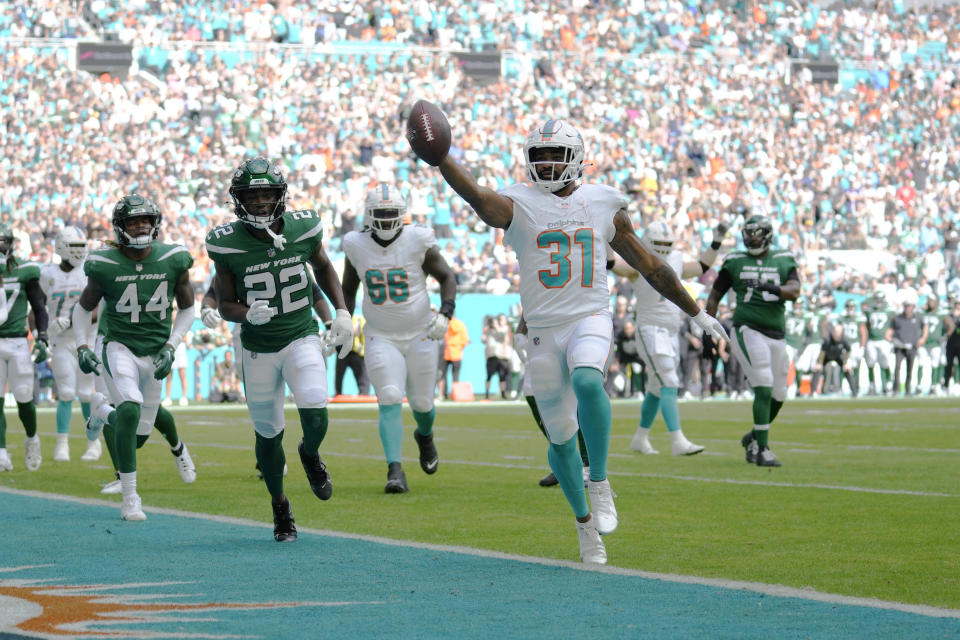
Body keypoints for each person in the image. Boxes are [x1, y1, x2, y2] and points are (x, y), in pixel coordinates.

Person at [419, 118, 726, 564]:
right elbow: (478, 198)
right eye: (538, 155)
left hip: (590, 316)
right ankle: (584, 525)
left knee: (587, 380)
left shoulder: (603, 202)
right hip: (543, 329)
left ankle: (598, 480)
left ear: (576, 158)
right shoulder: (519, 203)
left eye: (553, 154)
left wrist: (696, 312)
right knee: (560, 437)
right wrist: (441, 157)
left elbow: (651, 266)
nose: (544, 163)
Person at [205, 157, 353, 543]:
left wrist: (340, 313)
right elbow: (224, 304)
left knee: (316, 407)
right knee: (268, 434)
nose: (259, 202)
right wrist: (245, 314)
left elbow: (323, 269)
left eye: (267, 194)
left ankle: (309, 453)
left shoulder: (305, 228)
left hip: (300, 335)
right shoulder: (226, 244)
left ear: (280, 195)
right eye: (251, 196)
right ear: (238, 200)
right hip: (257, 348)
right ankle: (280, 505)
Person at [71, 195, 197, 521]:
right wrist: (83, 347)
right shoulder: (105, 263)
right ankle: (130, 499)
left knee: (138, 437)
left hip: (155, 352)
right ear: (121, 227)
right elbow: (83, 310)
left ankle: (101, 411)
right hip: (119, 347)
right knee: (129, 406)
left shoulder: (173, 258)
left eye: (144, 220)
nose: (140, 226)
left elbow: (187, 308)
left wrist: (172, 346)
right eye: (132, 221)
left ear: (155, 224)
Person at [340, 183, 458, 493]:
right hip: (381, 335)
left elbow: (446, 276)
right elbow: (348, 288)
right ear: (369, 215)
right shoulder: (356, 244)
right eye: (381, 213)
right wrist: (342, 319)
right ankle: (394, 469)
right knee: (390, 397)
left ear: (402, 214)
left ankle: (426, 435)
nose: (387, 219)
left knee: (422, 403)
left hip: (420, 333)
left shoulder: (417, 240)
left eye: (392, 213)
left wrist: (446, 312)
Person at [612, 219, 727, 456]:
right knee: (669, 382)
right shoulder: (637, 262)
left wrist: (716, 242)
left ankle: (640, 439)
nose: (663, 248)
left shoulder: (675, 260)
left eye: (667, 243)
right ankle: (677, 440)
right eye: (659, 243)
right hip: (650, 329)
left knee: (657, 388)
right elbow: (612, 264)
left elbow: (702, 266)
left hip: (671, 332)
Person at [706, 214, 801, 468]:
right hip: (748, 328)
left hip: (777, 332)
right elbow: (715, 295)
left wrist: (767, 287)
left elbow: (794, 292)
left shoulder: (783, 259)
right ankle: (762, 448)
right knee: (764, 384)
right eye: (748, 234)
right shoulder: (735, 261)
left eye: (755, 234)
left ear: (767, 235)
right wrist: (708, 324)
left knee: (780, 393)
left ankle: (756, 436)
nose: (751, 238)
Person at [39, 226, 100, 462]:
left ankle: (93, 444)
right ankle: (61, 444)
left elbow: (99, 308)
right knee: (65, 391)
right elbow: (38, 306)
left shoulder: (88, 270)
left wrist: (74, 320)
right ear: (62, 248)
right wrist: (42, 329)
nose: (79, 251)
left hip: (86, 337)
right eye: (74, 246)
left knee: (85, 393)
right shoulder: (47, 273)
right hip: (61, 341)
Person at [0, 222, 48, 473]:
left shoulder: (24, 270)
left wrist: (43, 337)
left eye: (2, 241)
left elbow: (39, 306)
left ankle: (32, 438)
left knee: (23, 399)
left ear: (10, 242)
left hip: (18, 341)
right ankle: (1, 452)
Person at [886, 298, 926, 396]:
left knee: (910, 369)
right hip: (900, 347)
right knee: (897, 368)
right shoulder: (897, 318)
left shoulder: (917, 318)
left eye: (909, 306)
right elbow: (889, 332)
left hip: (912, 347)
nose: (908, 308)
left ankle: (908, 390)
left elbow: (925, 327)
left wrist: (923, 338)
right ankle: (896, 389)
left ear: (912, 307)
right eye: (906, 306)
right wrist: (893, 340)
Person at [862, 291, 894, 395]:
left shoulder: (889, 310)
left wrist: (890, 332)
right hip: (872, 340)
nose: (878, 301)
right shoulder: (869, 311)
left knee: (884, 363)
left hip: (884, 341)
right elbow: (866, 325)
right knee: (870, 364)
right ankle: (872, 386)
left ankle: (887, 384)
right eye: (877, 299)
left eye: (880, 299)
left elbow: (895, 323)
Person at [811, 323, 857, 396]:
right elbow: (822, 352)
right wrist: (819, 363)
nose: (837, 334)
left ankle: (854, 392)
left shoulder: (845, 340)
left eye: (838, 332)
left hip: (838, 357)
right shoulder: (827, 340)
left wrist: (846, 363)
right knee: (817, 369)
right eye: (835, 331)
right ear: (832, 332)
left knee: (848, 369)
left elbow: (848, 352)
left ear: (841, 332)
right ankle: (812, 392)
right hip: (827, 357)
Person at [334, 315, 370, 396]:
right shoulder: (339, 320)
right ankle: (338, 394)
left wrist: (363, 353)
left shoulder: (359, 319)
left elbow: (364, 338)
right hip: (342, 352)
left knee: (362, 376)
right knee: (339, 376)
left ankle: (364, 394)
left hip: (356, 353)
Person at [919, 296, 948, 395]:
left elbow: (951, 325)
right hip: (924, 343)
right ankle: (919, 386)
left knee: (935, 364)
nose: (931, 302)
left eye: (932, 301)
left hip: (935, 343)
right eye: (929, 301)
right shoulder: (923, 312)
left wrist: (945, 336)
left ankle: (934, 385)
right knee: (921, 363)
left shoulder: (941, 313)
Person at [437, 313, 469, 400]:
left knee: (447, 375)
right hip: (451, 353)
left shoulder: (452, 324)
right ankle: (449, 394)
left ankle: (449, 394)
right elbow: (465, 339)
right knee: (450, 375)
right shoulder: (458, 324)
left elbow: (465, 339)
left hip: (451, 352)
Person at [162, 342, 189, 406]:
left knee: (182, 375)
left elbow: (185, 338)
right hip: (169, 349)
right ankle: (168, 398)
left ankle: (184, 397)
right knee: (168, 375)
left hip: (180, 349)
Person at [944, 298, 960, 394]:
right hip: (950, 344)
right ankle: (946, 385)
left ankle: (958, 384)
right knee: (949, 365)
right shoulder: (949, 316)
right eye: (957, 304)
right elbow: (948, 329)